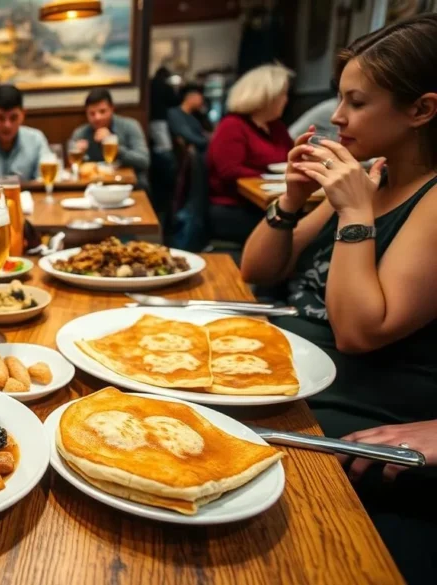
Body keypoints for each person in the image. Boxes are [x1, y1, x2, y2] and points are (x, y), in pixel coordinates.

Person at [240, 16, 437, 582]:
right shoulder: (372, 171)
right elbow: (258, 268)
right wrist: (292, 200)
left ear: (421, 110)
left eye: (357, 101)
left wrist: (354, 213)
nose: (336, 116)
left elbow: (358, 330)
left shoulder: (426, 197)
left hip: (354, 405)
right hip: (290, 366)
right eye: (339, 97)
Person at [206, 64, 294, 243]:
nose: (286, 100)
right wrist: (270, 177)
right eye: (283, 94)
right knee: (296, 228)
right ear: (266, 96)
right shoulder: (232, 125)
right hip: (234, 207)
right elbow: (229, 171)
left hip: (270, 203)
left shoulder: (276, 127)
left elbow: (291, 158)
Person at [69, 88, 151, 189]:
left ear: (112, 109)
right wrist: (79, 156)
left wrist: (113, 145)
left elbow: (144, 162)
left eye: (102, 111)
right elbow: (73, 169)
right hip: (92, 189)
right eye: (92, 113)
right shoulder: (80, 133)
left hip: (130, 187)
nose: (97, 117)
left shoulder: (130, 126)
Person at [167, 85, 210, 151]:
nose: (201, 102)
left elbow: (202, 133)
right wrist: (208, 141)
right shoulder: (174, 113)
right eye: (200, 99)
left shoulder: (193, 117)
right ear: (190, 99)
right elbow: (187, 135)